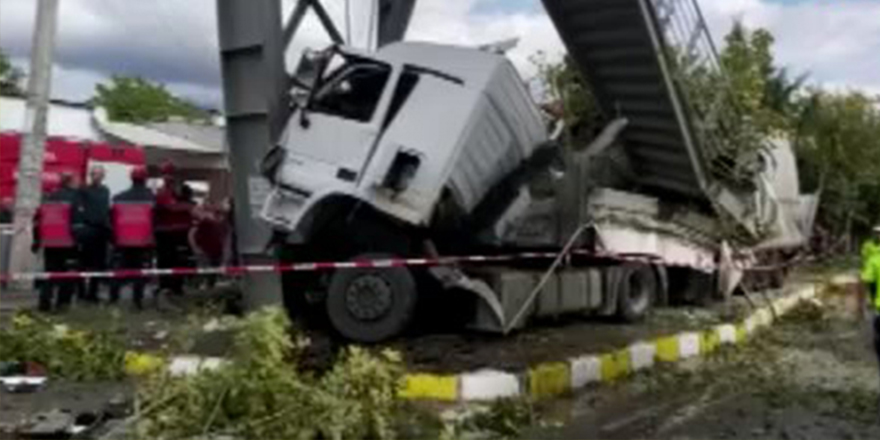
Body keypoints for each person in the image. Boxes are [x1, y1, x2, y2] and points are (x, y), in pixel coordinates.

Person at [32, 172, 83, 312]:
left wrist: (36, 241)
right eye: (77, 179)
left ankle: (44, 302)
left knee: (49, 273)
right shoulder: (76, 198)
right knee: (67, 274)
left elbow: (37, 221)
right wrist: (79, 241)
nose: (79, 182)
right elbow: (77, 223)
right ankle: (62, 304)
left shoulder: (49, 197)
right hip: (67, 242)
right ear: (71, 182)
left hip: (49, 242)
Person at [109, 166, 155, 309]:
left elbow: (111, 218)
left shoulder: (118, 198)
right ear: (145, 179)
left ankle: (113, 297)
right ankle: (137, 301)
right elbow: (155, 220)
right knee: (139, 271)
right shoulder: (151, 198)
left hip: (122, 240)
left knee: (120, 269)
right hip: (143, 241)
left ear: (131, 178)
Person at [154, 161, 194, 296]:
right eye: (169, 175)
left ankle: (176, 286)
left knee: (177, 260)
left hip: (177, 232)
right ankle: (166, 286)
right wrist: (189, 207)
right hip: (167, 233)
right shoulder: (164, 193)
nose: (171, 178)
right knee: (167, 261)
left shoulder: (175, 193)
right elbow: (172, 207)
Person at [78, 166, 111, 303]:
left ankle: (92, 292)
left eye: (98, 174)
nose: (96, 177)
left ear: (103, 176)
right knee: (83, 263)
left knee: (98, 264)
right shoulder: (84, 190)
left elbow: (105, 209)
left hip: (101, 230)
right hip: (88, 228)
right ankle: (81, 292)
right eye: (94, 174)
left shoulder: (105, 191)